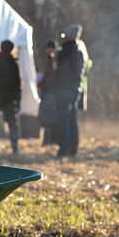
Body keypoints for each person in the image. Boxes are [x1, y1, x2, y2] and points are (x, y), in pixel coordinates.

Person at [53, 23, 85, 158]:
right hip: (74, 89)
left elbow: (62, 72)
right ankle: (73, 148)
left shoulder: (67, 52)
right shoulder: (78, 52)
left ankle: (64, 149)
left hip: (66, 90)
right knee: (71, 119)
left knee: (64, 120)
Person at [37, 40, 59, 146]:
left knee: (47, 117)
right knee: (49, 117)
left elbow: (49, 77)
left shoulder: (53, 60)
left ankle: (48, 140)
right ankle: (49, 140)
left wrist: (40, 83)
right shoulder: (53, 60)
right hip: (51, 92)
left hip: (50, 92)